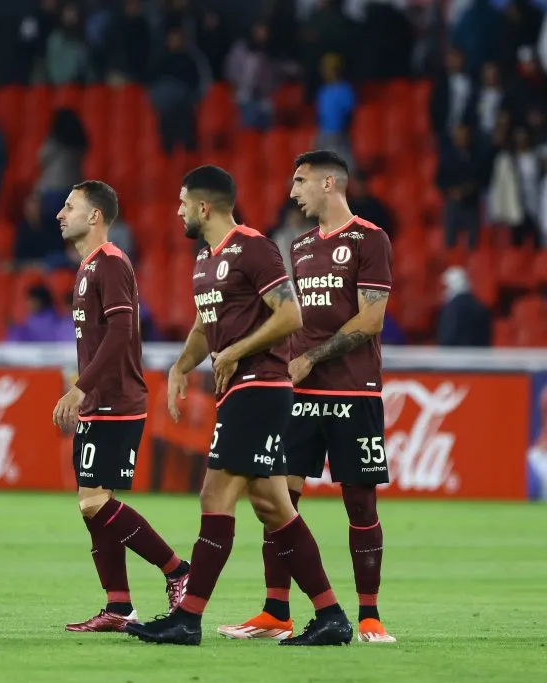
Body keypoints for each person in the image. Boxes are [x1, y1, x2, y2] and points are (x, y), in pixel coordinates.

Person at [125, 165, 352, 647]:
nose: (178, 210)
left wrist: (233, 352)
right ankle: (331, 614)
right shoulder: (205, 259)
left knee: (215, 495)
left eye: (183, 202)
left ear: (204, 206)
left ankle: (187, 618)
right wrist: (180, 367)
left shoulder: (253, 247)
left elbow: (291, 314)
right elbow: (206, 326)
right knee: (274, 506)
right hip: (243, 390)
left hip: (260, 387)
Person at [218, 150, 396, 644]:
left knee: (359, 503)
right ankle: (277, 609)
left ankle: (369, 616)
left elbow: (371, 319)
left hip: (353, 390)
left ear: (329, 184)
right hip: (298, 393)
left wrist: (311, 358)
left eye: (300, 181)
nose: (292, 191)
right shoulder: (297, 246)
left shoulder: (370, 238)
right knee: (278, 500)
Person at [51, 180, 190, 633]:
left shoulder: (110, 263)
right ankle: (119, 606)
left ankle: (178, 571)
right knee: (91, 503)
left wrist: (80, 387)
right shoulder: (90, 267)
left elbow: (119, 333)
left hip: (115, 400)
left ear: (95, 217)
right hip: (101, 400)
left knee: (94, 503)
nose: (60, 214)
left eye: (69, 207)